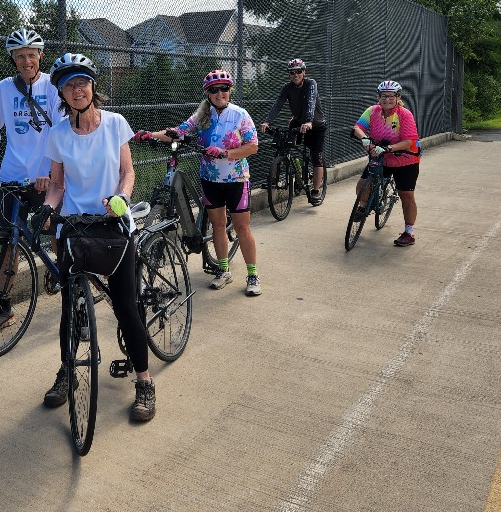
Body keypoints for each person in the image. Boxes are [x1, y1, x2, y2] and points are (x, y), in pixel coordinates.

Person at [37, 53, 156, 422]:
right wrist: (47, 209)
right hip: (76, 228)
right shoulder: (57, 134)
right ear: (61, 92)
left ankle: (145, 382)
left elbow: (128, 173)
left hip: (114, 226)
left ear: (93, 86)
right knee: (70, 307)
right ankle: (67, 372)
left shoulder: (115, 124)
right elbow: (57, 185)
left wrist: (121, 198)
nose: (76, 89)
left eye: (82, 82)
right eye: (68, 84)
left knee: (126, 307)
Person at [143, 69, 261, 296]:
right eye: (214, 90)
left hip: (236, 179)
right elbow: (177, 133)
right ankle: (224, 271)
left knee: (242, 227)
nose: (220, 93)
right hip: (210, 178)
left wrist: (225, 152)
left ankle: (253, 275)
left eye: (224, 89)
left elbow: (253, 146)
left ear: (230, 90)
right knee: (217, 225)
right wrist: (151, 135)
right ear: (207, 93)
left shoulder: (240, 115)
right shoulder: (202, 116)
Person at [0, 28, 60, 336]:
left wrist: (50, 172)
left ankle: (77, 303)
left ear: (40, 56)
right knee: (9, 246)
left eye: (31, 54)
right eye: (20, 56)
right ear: (13, 59)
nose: (26, 61)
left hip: (44, 178)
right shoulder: (3, 89)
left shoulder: (53, 86)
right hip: (11, 176)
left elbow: (61, 134)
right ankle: (4, 309)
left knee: (59, 236)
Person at [351, 80, 421, 247]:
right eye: (383, 96)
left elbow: (408, 142)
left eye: (391, 96)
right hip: (380, 156)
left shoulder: (404, 114)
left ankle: (408, 232)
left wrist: (389, 148)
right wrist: (365, 139)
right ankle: (363, 206)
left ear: (398, 97)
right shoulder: (372, 111)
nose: (387, 99)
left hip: (406, 159)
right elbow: (357, 128)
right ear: (379, 97)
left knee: (407, 196)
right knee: (362, 185)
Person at [260, 57, 327, 203]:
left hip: (315, 125)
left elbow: (310, 102)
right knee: (282, 147)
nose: (295, 75)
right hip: (298, 122)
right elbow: (278, 104)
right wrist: (267, 121)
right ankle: (276, 178)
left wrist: (309, 121)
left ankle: (316, 190)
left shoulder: (311, 84)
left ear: (304, 72)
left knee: (316, 156)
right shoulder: (287, 88)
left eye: (298, 71)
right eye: (292, 72)